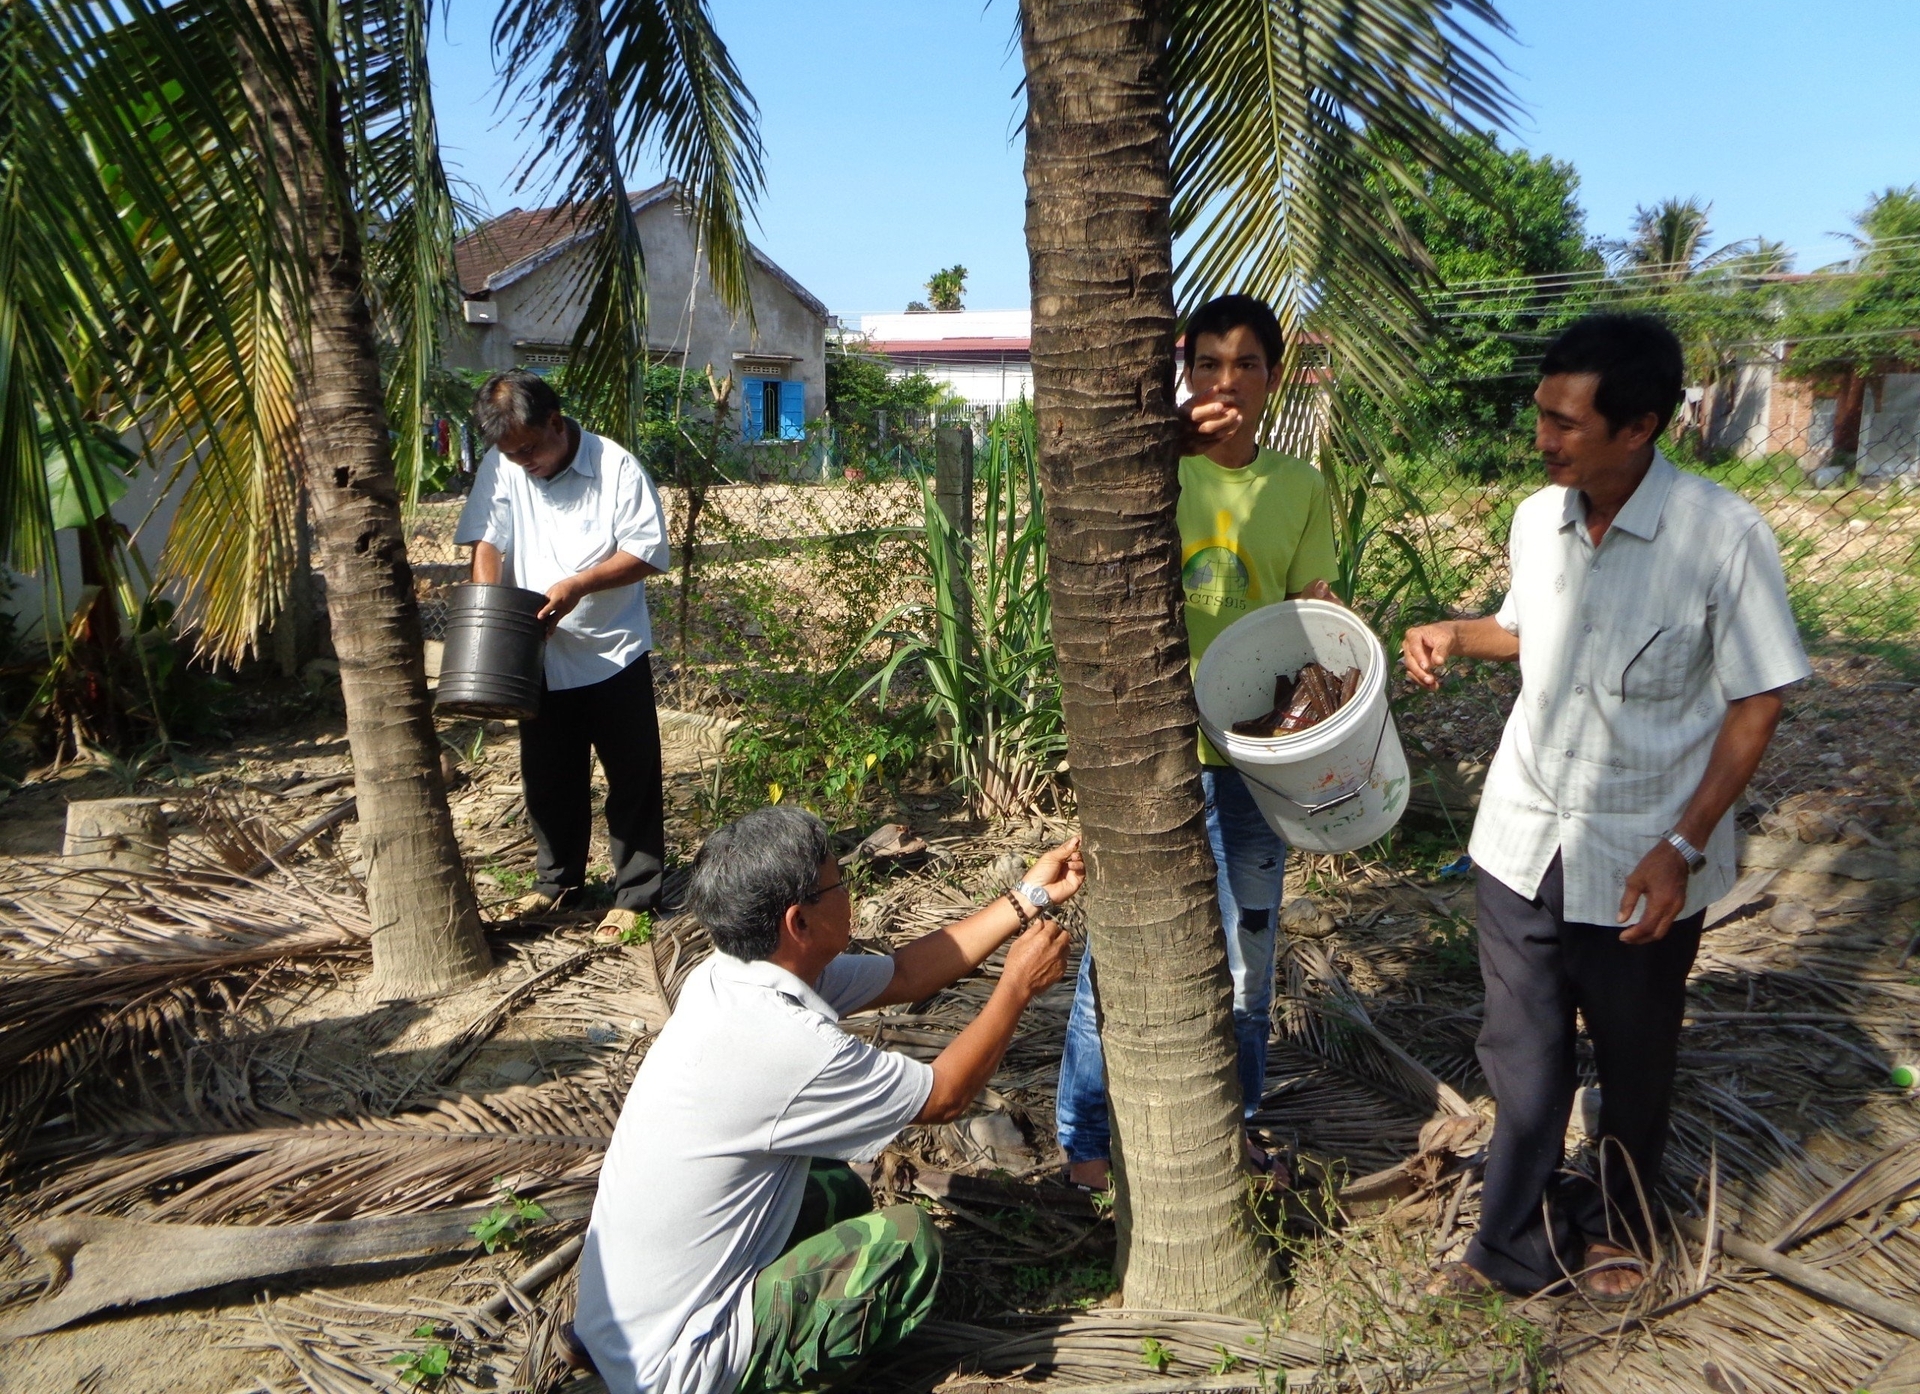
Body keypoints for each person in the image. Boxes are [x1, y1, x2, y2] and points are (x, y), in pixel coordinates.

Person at [1402, 313, 1808, 1301]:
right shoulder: (1539, 518)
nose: (1541, 438)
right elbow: (1521, 629)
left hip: (1645, 863)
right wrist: (1455, 633)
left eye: (1565, 423)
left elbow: (1760, 698)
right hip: (1518, 840)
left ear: (1639, 428)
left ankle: (1621, 1223)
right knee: (1525, 1063)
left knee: (1633, 1062)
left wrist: (1683, 842)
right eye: (1541, 414)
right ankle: (1510, 1245)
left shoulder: (1721, 536)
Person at [572, 806, 1080, 1394]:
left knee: (840, 1188)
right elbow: (944, 1097)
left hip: (623, 1331)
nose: (850, 895)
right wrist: (1016, 986)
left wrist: (1029, 897)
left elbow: (907, 974)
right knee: (904, 1245)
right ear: (800, 922)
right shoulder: (788, 1044)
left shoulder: (731, 975)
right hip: (681, 1367)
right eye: (838, 884)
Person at [1054, 293, 1338, 1191]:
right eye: (1207, 363)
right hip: (1154, 759)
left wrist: (1338, 651)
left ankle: (1240, 1122)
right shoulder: (1149, 470)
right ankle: (1087, 1141)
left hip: (1257, 763)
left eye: (1245, 364)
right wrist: (1163, 445)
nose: (1225, 382)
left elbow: (1311, 606)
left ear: (1273, 379)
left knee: (1251, 962)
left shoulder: (1297, 486)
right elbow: (1081, 514)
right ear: (1185, 372)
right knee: (1123, 953)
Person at [456, 370, 671, 920]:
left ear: (556, 422)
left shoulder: (615, 467)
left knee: (632, 777)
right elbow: (488, 539)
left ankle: (636, 896)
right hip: (539, 654)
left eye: (529, 448)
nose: (523, 462)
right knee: (549, 776)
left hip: (612, 651)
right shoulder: (502, 464)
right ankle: (557, 886)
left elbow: (646, 551)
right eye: (512, 454)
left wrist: (578, 585)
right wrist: (489, 613)